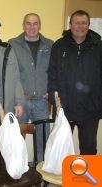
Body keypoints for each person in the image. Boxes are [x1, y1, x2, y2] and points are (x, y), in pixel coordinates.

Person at [48, 10, 102, 155]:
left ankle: (88, 178)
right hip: (64, 108)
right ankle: (60, 178)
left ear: (89, 25)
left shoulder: (98, 47)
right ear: (70, 25)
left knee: (89, 149)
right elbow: (52, 75)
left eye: (84, 23)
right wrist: (55, 102)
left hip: (90, 109)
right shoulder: (59, 46)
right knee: (61, 149)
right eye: (76, 22)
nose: (80, 26)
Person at [9, 13, 53, 162]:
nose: (32, 27)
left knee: (43, 141)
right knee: (16, 140)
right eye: (28, 23)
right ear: (23, 25)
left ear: (39, 26)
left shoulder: (50, 45)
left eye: (35, 24)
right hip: (21, 102)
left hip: (41, 101)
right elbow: (10, 73)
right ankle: (18, 171)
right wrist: (15, 98)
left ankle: (41, 172)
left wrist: (50, 90)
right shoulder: (13, 44)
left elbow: (54, 70)